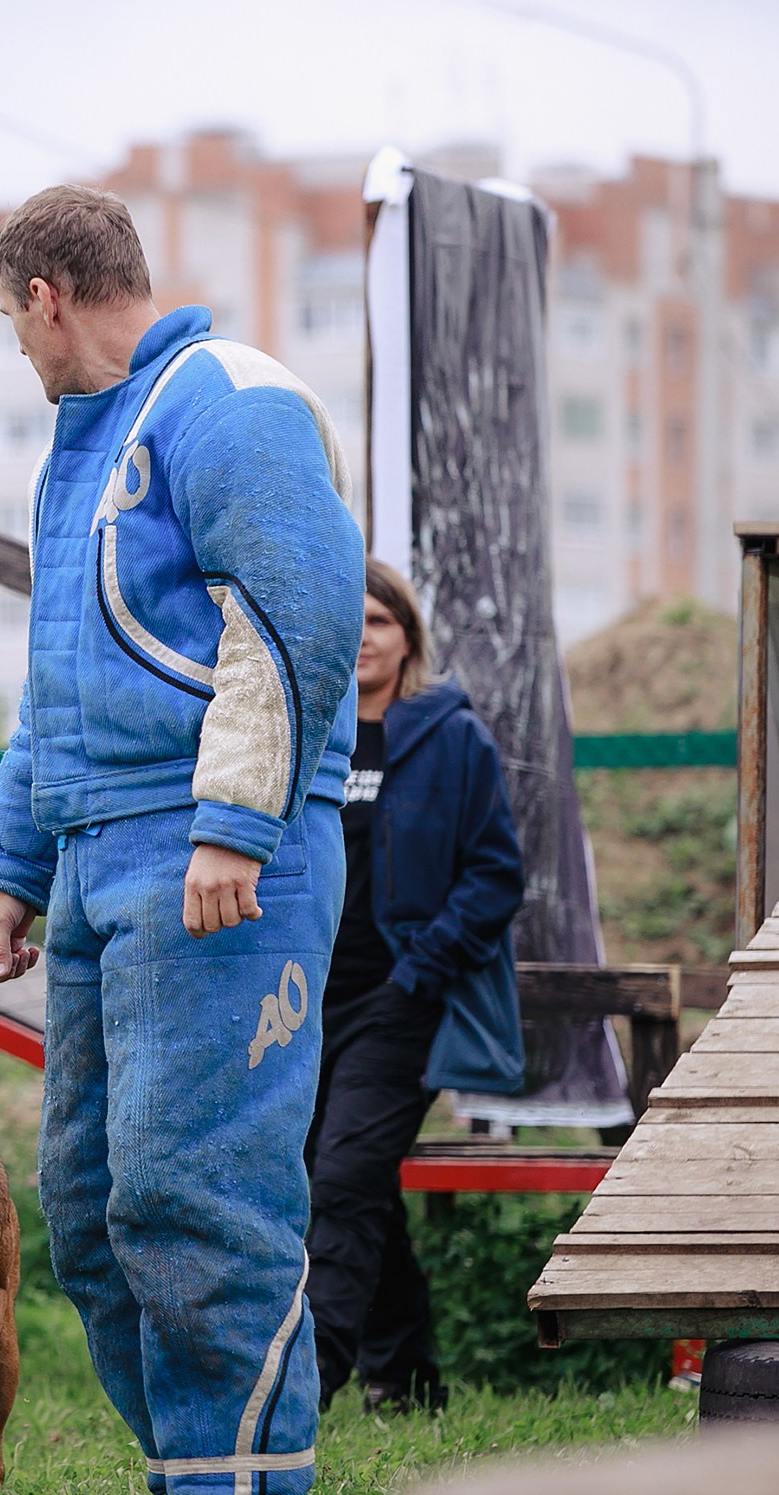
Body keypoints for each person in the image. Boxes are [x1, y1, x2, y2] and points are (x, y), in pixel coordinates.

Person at [0, 186, 362, 1495]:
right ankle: (198, 1467)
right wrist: (8, 870)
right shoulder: (88, 447)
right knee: (88, 1194)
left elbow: (295, 614)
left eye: (11, 322)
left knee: (201, 1179)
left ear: (43, 297)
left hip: (217, 849)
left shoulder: (230, 398)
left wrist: (235, 823)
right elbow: (62, 685)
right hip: (98, 851)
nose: (18, 347)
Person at [305, 558, 524, 1417]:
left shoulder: (450, 738)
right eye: (348, 618)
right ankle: (407, 1370)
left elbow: (495, 875)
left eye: (380, 621)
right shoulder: (306, 731)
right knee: (346, 1177)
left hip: (396, 1002)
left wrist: (419, 970)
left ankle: (309, 1380)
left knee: (345, 1176)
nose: (362, 634)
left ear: (407, 638)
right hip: (301, 998)